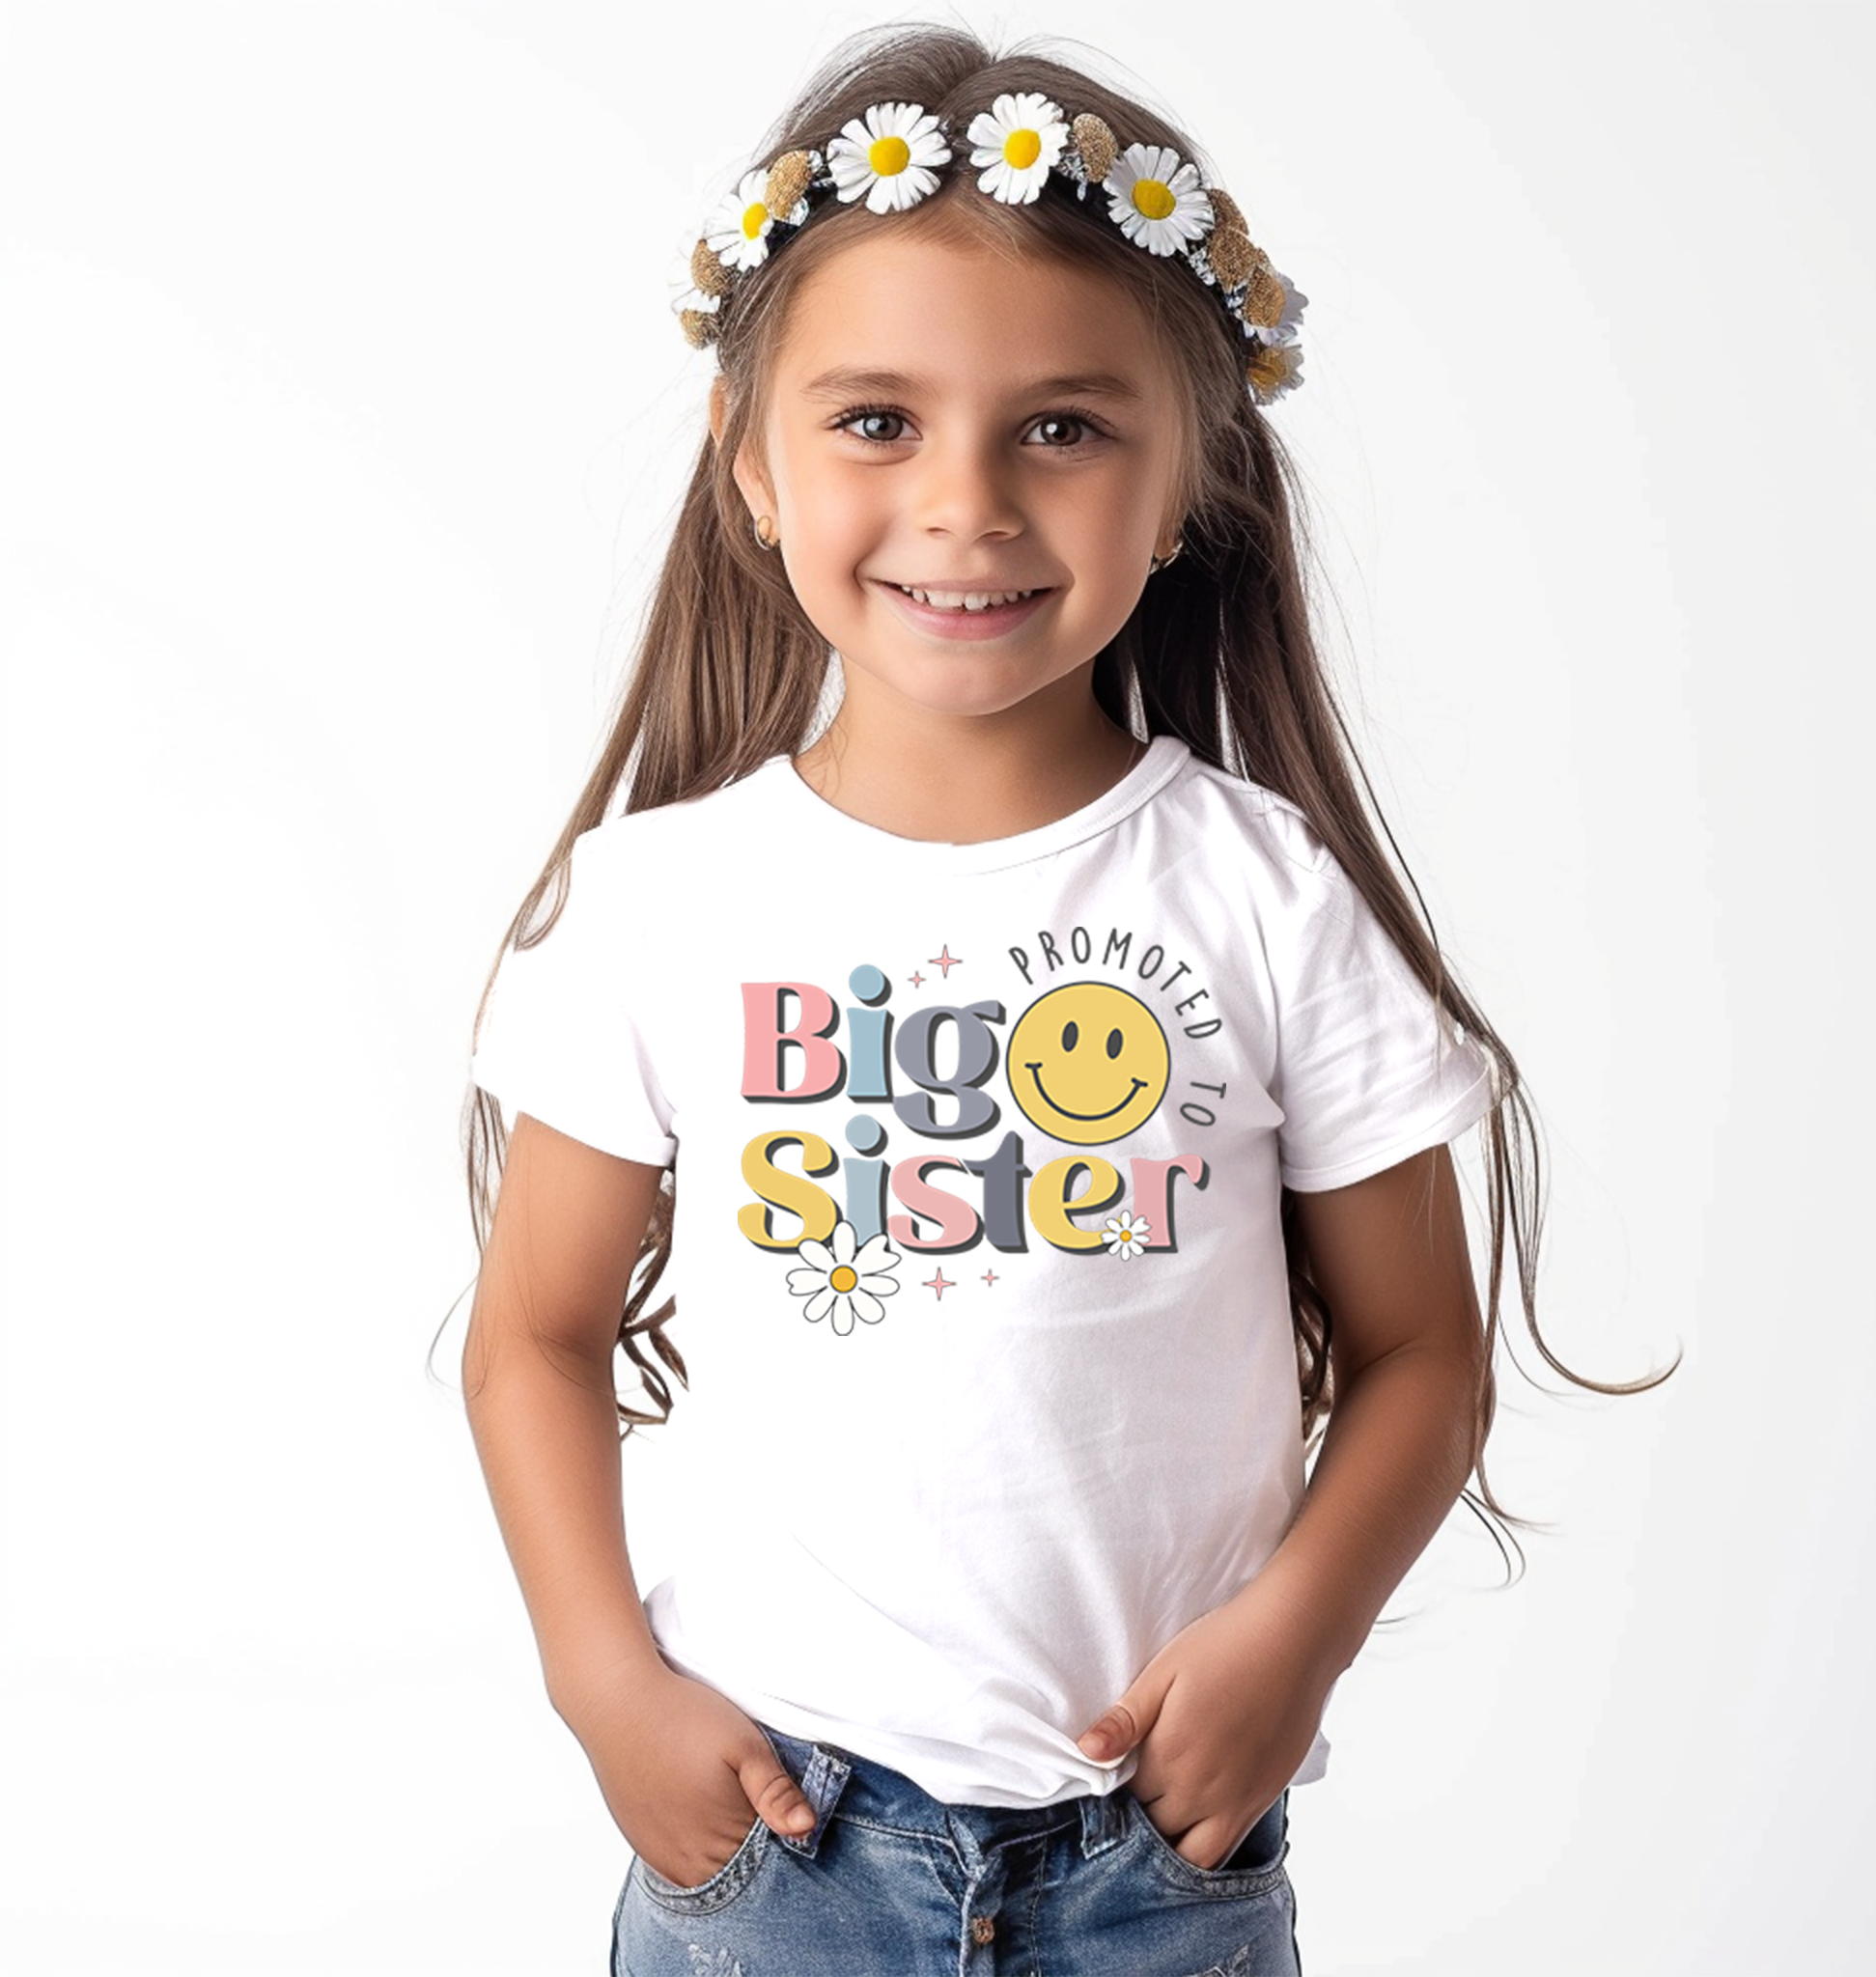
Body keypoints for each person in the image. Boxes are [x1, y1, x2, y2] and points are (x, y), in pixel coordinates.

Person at [455, 24, 1668, 1975]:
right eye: (877, 420)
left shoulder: (1263, 896)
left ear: (1187, 480)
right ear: (750, 460)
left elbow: (1421, 1350)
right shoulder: (661, 904)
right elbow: (535, 1331)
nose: (968, 503)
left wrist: (1294, 1640)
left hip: (1152, 1869)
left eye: (1064, 428)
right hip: (772, 1847)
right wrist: (605, 1687)